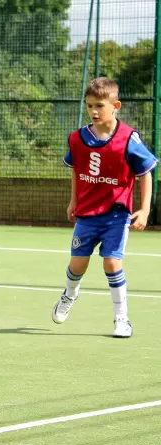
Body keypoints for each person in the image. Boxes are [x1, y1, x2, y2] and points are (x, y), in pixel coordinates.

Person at [52, 77, 157, 338]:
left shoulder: (128, 139)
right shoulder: (77, 139)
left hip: (116, 215)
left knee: (111, 263)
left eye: (99, 105)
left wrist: (144, 210)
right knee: (77, 264)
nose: (94, 111)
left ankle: (122, 318)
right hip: (87, 214)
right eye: (89, 106)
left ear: (115, 106)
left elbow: (145, 173)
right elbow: (76, 169)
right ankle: (69, 295)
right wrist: (74, 201)